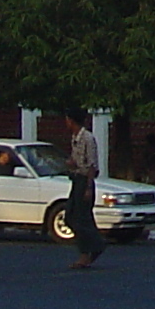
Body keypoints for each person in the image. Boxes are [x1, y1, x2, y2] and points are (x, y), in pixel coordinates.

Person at [62, 109, 103, 270]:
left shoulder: (87, 138)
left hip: (85, 180)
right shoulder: (75, 138)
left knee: (82, 218)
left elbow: (91, 165)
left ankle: (89, 251)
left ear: (71, 120)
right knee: (70, 217)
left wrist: (88, 187)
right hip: (76, 179)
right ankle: (93, 245)